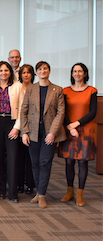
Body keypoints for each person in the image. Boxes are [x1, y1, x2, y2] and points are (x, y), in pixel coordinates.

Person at [21, 61, 66, 209]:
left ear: (49, 71)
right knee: (34, 163)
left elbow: (60, 113)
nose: (42, 71)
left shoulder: (57, 90)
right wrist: (24, 132)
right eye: (39, 69)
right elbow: (24, 111)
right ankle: (38, 192)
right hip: (33, 133)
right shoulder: (31, 89)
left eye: (45, 69)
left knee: (45, 163)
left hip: (49, 133)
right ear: (36, 72)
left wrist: (53, 132)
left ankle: (42, 195)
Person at [58, 63, 97, 207]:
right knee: (69, 162)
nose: (77, 73)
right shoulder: (65, 91)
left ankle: (80, 194)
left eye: (80, 71)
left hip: (85, 132)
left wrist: (77, 124)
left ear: (85, 73)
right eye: (75, 71)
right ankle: (70, 191)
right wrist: (69, 126)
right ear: (72, 74)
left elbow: (93, 112)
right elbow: (63, 111)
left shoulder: (92, 90)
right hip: (69, 131)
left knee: (82, 162)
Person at [0, 61, 22, 203]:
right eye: (1, 71)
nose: (4, 73)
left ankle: (13, 192)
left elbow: (23, 109)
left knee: (13, 159)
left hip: (12, 123)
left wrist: (17, 127)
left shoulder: (18, 87)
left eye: (6, 70)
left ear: (10, 72)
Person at [17, 64, 36, 194]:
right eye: (23, 72)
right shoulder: (16, 88)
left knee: (31, 158)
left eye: (28, 72)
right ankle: (19, 184)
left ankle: (30, 184)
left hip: (32, 127)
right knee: (18, 158)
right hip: (18, 126)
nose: (26, 75)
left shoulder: (36, 88)